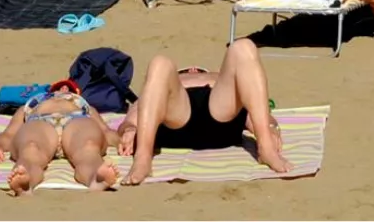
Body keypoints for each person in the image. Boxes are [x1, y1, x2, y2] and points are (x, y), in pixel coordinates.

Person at [119, 39, 288, 186]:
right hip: (176, 117)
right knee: (159, 63)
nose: (193, 70)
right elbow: (138, 110)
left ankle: (266, 149)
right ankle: (143, 157)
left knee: (243, 47)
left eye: (198, 69)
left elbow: (251, 105)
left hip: (220, 114)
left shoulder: (219, 77)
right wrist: (130, 129)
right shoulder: (168, 81)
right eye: (187, 70)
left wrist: (269, 127)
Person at [0, 79, 118, 194]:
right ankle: (25, 183)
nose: (64, 88)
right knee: (30, 148)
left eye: (70, 89)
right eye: (60, 86)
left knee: (88, 147)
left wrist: (124, 141)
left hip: (76, 120)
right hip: (40, 121)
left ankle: (96, 178)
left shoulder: (85, 106)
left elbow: (106, 131)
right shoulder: (30, 105)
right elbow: (9, 133)